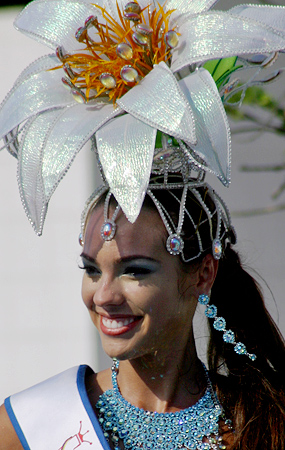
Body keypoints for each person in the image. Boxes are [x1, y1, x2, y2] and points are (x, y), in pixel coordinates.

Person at [0, 0, 285, 449]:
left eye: (135, 270)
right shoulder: (30, 426)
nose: (103, 296)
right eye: (92, 269)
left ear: (201, 274)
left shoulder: (262, 424)